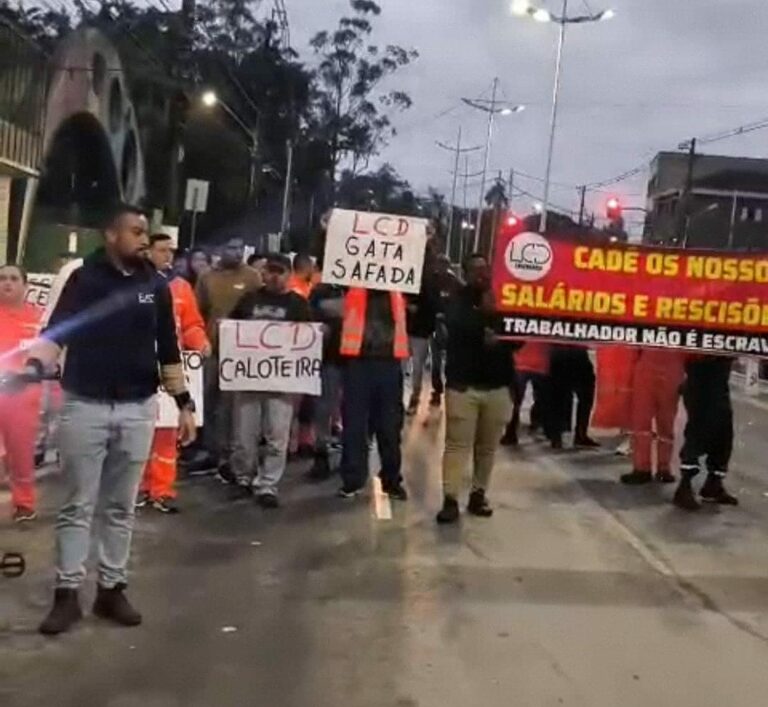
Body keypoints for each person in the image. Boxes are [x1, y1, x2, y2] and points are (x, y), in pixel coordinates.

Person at [26, 204, 196, 636]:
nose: (144, 239)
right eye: (135, 231)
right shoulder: (84, 279)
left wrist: (184, 403)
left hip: (138, 407)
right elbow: (57, 331)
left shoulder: (155, 285)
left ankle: (111, 589)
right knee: (77, 505)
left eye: (145, 232)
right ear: (111, 236)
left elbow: (168, 348)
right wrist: (33, 365)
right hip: (85, 406)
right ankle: (67, 594)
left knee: (120, 506)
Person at [437, 254, 515, 525]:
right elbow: (455, 327)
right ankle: (450, 499)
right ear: (466, 273)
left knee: (487, 448)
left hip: (497, 386)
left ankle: (478, 494)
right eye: (476, 270)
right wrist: (484, 315)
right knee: (457, 445)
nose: (483, 274)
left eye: (486, 269)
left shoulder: (504, 300)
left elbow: (518, 338)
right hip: (464, 387)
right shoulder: (457, 300)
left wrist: (500, 333)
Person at [228, 253, 310, 508]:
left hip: (282, 382)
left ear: (289, 274)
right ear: (263, 273)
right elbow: (231, 327)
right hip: (248, 378)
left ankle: (268, 485)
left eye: (279, 271)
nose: (274, 276)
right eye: (270, 271)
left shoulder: (299, 304)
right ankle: (244, 478)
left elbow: (308, 339)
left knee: (277, 436)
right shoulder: (249, 299)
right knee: (244, 436)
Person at [137, 234, 211, 513]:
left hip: (171, 368)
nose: (168, 255)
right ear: (148, 252)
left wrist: (200, 341)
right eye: (162, 250)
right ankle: (139, 488)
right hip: (141, 367)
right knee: (139, 433)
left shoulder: (181, 288)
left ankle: (162, 490)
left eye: (171, 251)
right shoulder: (135, 284)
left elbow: (191, 323)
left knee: (167, 434)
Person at [196, 238, 261, 476]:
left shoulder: (252, 277)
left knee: (232, 406)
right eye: (231, 248)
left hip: (240, 353)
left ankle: (232, 456)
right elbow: (198, 311)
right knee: (208, 401)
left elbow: (258, 310)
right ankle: (211, 451)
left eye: (240, 248)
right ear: (219, 250)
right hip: (212, 350)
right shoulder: (206, 277)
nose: (236, 252)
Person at [338, 284, 409, 500]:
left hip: (387, 362)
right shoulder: (353, 288)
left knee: (389, 426)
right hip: (359, 362)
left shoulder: (399, 288)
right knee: (355, 425)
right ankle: (355, 478)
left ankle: (389, 478)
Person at [0, 265, 42, 523]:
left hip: (24, 397)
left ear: (25, 286)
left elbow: (49, 354)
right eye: (2, 278)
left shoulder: (38, 319)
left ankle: (24, 504)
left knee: (21, 453)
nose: (7, 283)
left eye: (14, 278)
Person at [673, 355, 738, 511]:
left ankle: (713, 484)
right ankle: (685, 485)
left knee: (723, 433)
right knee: (698, 432)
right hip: (699, 380)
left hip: (719, 380)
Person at [622, 348, 684, 486]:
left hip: (664, 367)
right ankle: (647, 468)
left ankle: (657, 468)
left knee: (663, 422)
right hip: (658, 367)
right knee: (643, 420)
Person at [308, 279, 345, 481]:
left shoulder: (364, 289)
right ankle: (321, 452)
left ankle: (351, 453)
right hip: (329, 357)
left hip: (358, 359)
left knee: (354, 409)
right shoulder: (320, 291)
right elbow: (309, 319)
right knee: (324, 408)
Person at [405, 256, 440, 416]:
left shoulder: (427, 282)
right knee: (414, 367)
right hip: (417, 330)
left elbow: (433, 305)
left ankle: (413, 398)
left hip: (417, 329)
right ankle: (413, 398)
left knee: (414, 367)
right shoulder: (431, 281)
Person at [547, 345, 599, 450]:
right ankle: (579, 434)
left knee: (559, 397)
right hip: (575, 356)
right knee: (584, 396)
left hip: (560, 356)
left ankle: (557, 436)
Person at [501, 342, 551, 447]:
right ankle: (538, 425)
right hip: (538, 364)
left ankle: (511, 432)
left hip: (523, 364)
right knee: (540, 399)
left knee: (516, 401)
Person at [430, 254, 460, 408]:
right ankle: (437, 389)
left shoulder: (455, 282)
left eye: (443, 265)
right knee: (436, 361)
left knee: (449, 360)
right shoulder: (431, 280)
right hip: (435, 324)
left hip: (451, 326)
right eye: (439, 265)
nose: (440, 268)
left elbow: (460, 303)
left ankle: (448, 387)